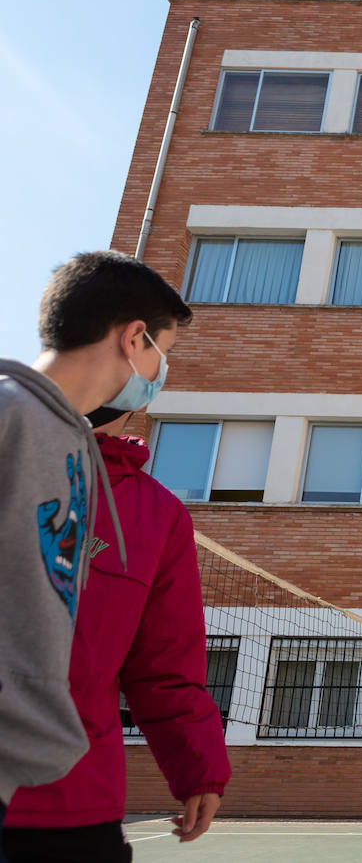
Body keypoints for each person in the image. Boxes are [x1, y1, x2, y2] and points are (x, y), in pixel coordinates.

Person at [0, 252, 191, 847]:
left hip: (53, 785)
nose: (160, 373)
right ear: (135, 339)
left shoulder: (76, 453)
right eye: (162, 353)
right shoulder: (13, 415)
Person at [4, 409, 230, 862]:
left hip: (71, 805)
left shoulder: (157, 513)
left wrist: (198, 769)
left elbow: (164, 668)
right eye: (159, 351)